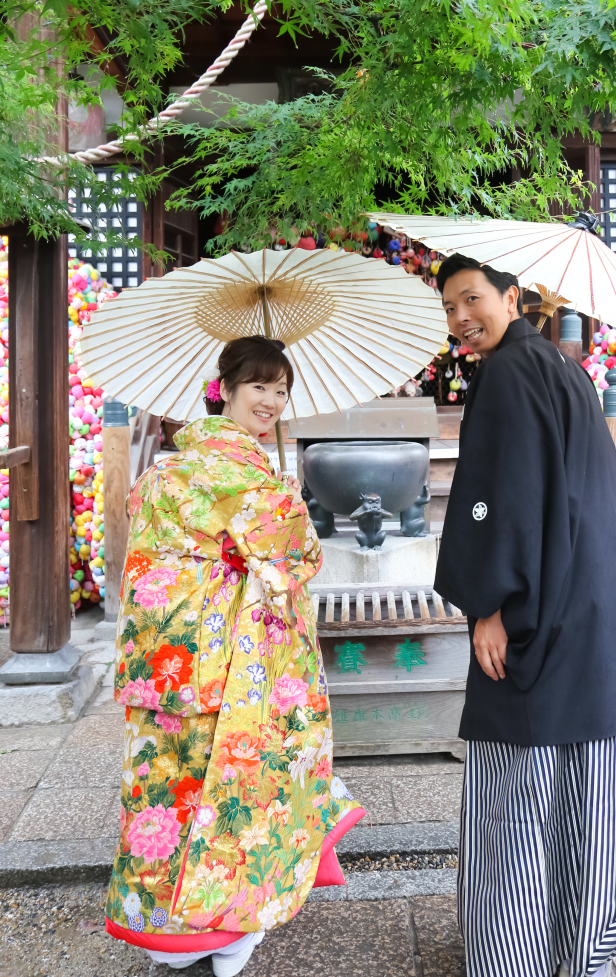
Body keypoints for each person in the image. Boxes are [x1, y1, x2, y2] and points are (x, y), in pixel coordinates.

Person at [433, 254, 616, 977]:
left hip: (545, 610)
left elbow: (502, 498)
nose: (460, 319)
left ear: (512, 296)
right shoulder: (563, 367)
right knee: (595, 792)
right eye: (449, 306)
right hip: (598, 610)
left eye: (472, 299)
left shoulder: (507, 374)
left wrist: (490, 605)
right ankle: (597, 939)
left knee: (527, 792)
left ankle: (520, 949)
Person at [105, 336, 363, 976]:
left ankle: (165, 930)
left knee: (169, 790)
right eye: (260, 387)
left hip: (166, 656)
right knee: (239, 789)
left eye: (282, 390)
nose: (273, 401)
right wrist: (282, 502)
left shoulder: (164, 471)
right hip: (237, 660)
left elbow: (140, 558)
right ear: (225, 389)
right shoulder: (246, 476)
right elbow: (298, 556)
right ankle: (227, 930)